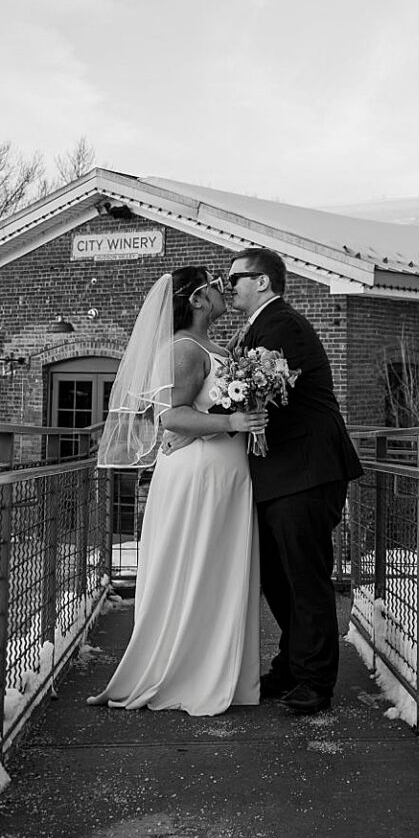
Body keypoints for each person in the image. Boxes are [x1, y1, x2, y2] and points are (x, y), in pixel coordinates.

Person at [96, 269, 263, 716]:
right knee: (194, 563)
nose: (222, 290)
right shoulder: (183, 350)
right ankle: (182, 670)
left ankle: (214, 667)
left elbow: (200, 409)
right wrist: (231, 423)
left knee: (217, 567)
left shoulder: (219, 349)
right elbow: (171, 418)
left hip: (227, 472)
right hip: (199, 476)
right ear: (197, 300)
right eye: (213, 284)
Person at [227, 249, 363, 715]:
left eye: (236, 279)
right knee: (279, 580)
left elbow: (260, 396)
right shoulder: (262, 326)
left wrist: (209, 417)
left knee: (305, 580)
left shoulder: (282, 325)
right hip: (280, 475)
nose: (231, 287)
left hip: (305, 472)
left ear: (262, 281)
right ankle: (291, 663)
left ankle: (315, 681)